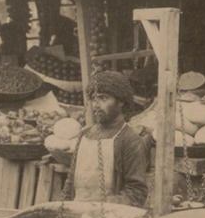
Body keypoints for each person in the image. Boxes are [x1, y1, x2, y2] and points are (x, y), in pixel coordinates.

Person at [63, 71, 148, 207]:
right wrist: (63, 207)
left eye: (103, 98)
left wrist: (106, 205)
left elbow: (137, 192)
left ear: (120, 101)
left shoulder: (129, 140)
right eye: (93, 99)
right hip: (77, 212)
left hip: (110, 217)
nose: (96, 105)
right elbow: (70, 182)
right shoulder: (84, 135)